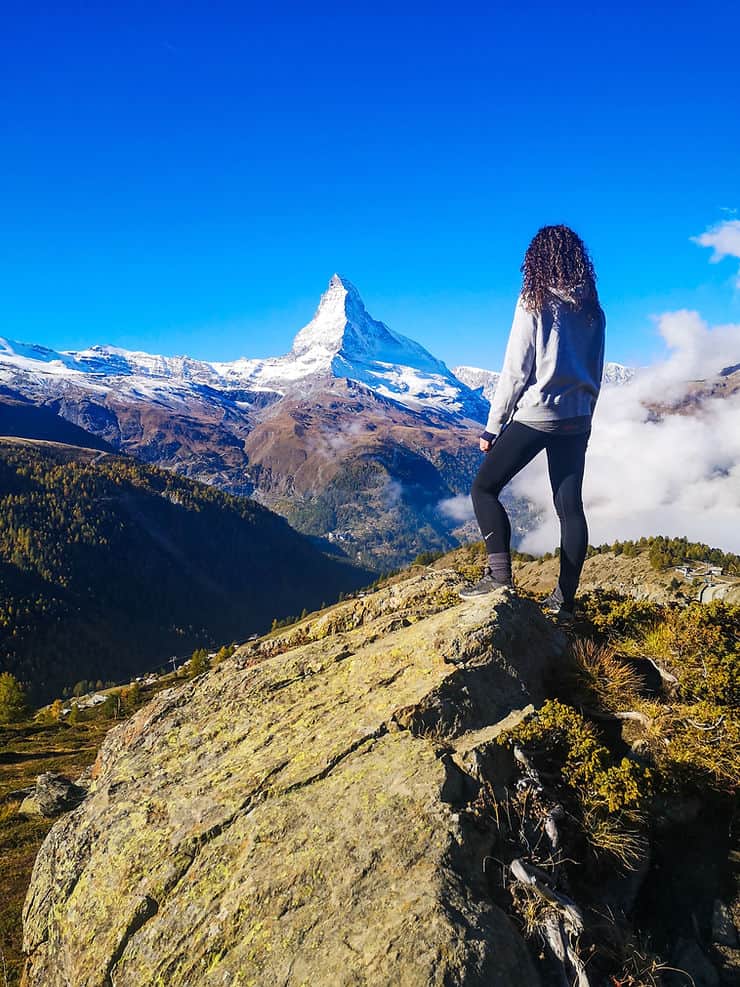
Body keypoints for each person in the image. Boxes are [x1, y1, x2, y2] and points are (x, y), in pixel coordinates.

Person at [460, 225, 606, 623]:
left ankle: (499, 577)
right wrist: (587, 413)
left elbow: (515, 371)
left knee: (484, 488)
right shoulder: (592, 307)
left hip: (538, 414)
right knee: (570, 509)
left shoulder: (534, 301)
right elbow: (597, 367)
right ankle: (564, 602)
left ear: (537, 260)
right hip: (577, 417)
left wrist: (493, 428)